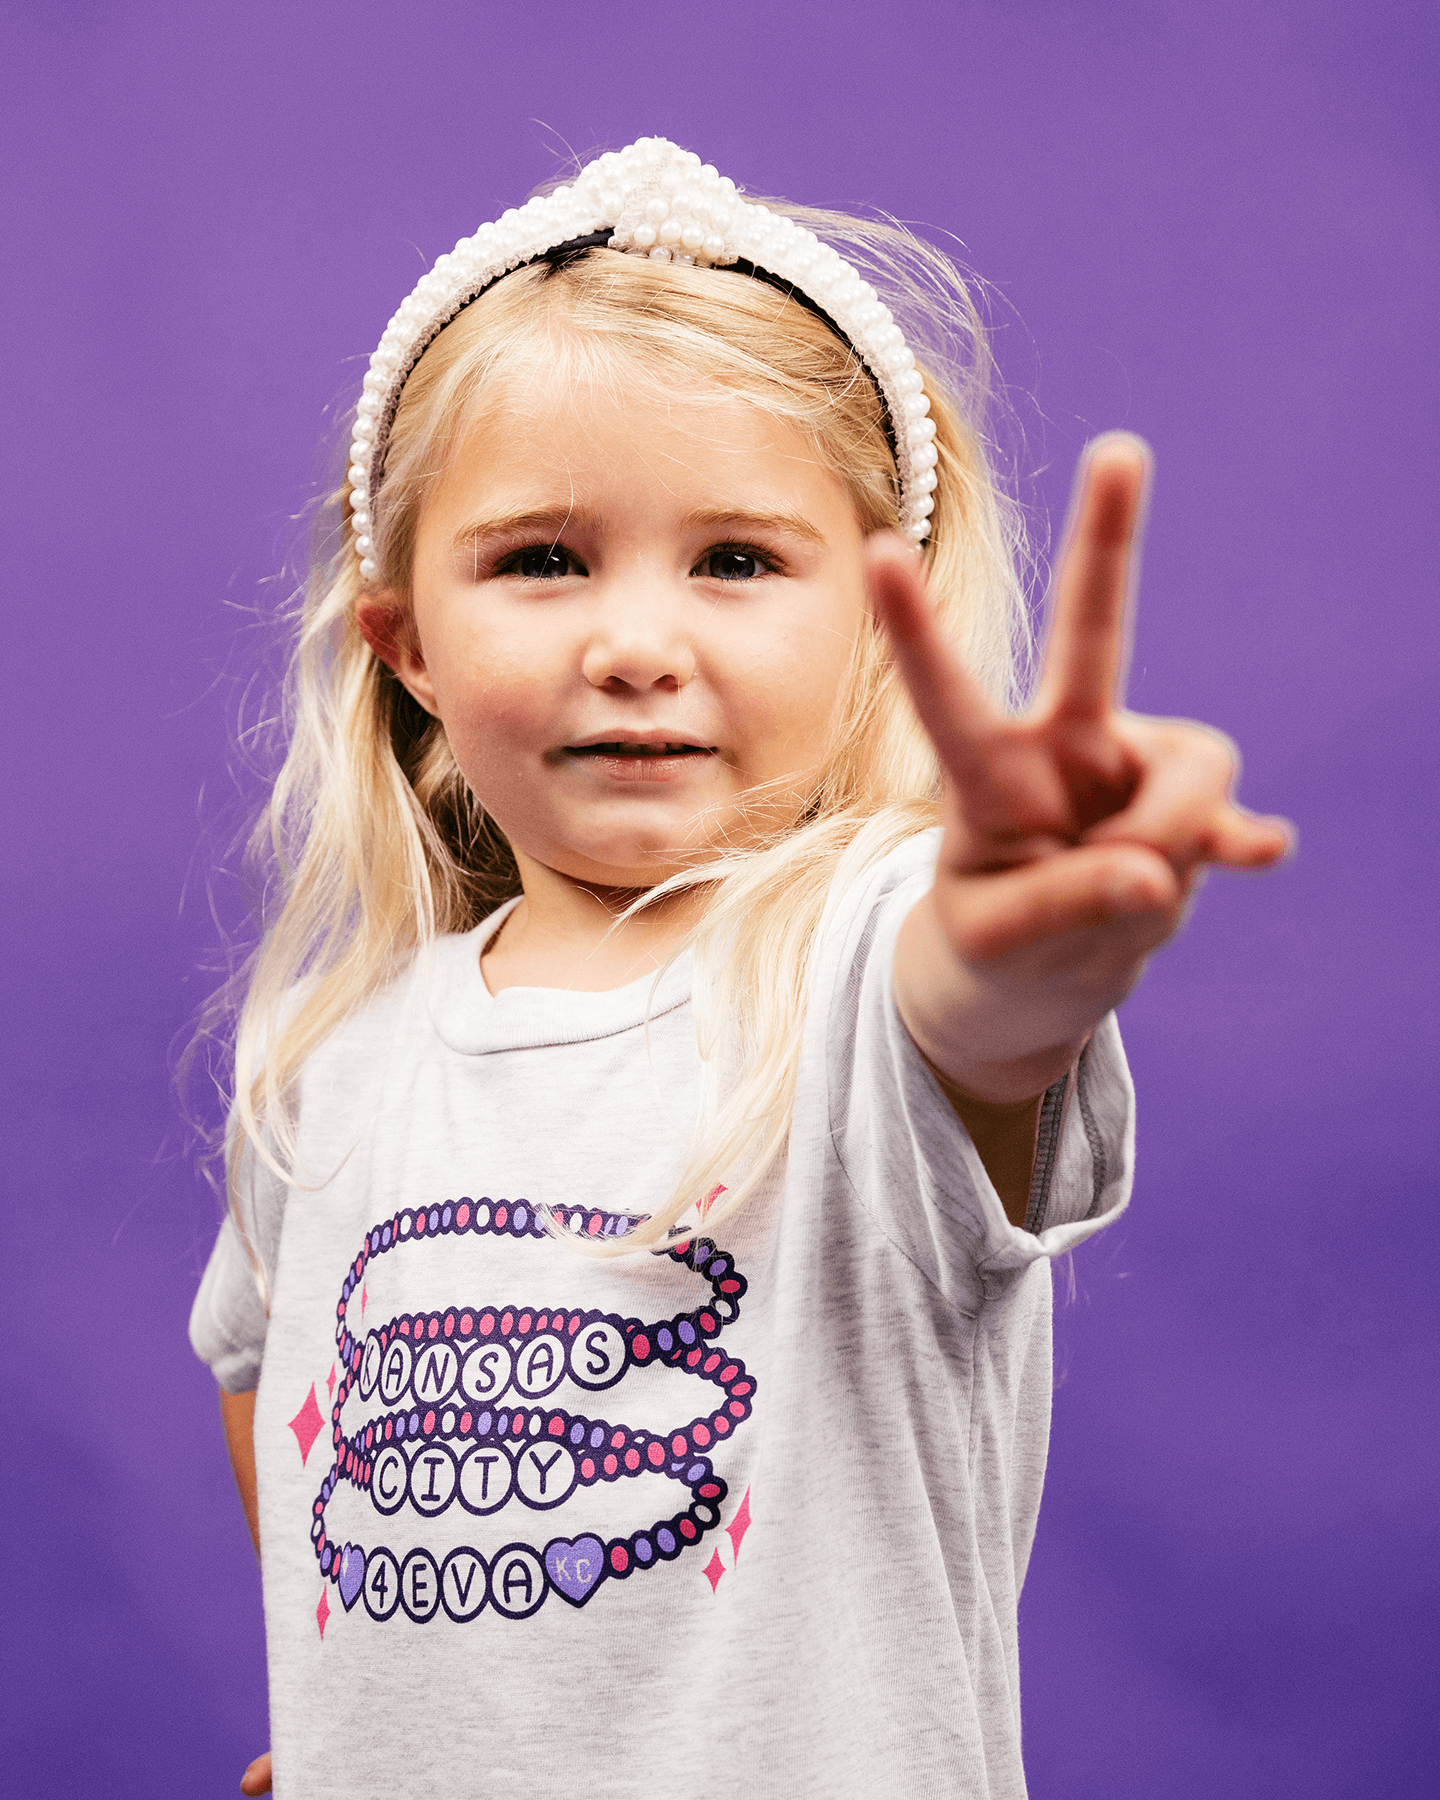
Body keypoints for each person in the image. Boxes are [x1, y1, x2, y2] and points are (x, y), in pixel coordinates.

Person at [189, 137, 1289, 1798]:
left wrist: (1027, 915)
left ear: (875, 622)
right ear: (404, 639)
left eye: (738, 561)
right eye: (542, 558)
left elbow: (981, 1012)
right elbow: (269, 1364)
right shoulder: (329, 1063)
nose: (637, 644)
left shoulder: (861, 976)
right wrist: (358, 1713)